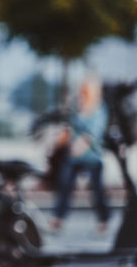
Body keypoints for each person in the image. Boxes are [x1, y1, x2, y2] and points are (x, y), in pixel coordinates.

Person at [49, 75, 110, 233]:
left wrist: (81, 145)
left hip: (92, 157)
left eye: (86, 90)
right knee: (65, 186)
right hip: (73, 157)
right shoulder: (76, 108)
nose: (83, 93)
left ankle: (103, 220)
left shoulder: (99, 109)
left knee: (97, 190)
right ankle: (58, 218)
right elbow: (69, 128)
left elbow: (95, 132)